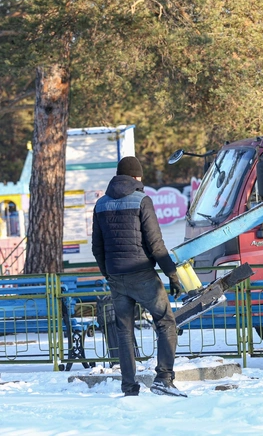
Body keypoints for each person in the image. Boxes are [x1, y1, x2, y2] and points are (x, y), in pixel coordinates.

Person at [92, 156, 186, 397]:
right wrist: (172, 275)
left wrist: (109, 273)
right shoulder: (142, 200)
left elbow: (97, 247)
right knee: (165, 322)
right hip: (142, 274)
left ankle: (129, 387)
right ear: (135, 177)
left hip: (116, 277)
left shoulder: (100, 205)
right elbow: (155, 244)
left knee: (124, 331)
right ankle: (164, 378)